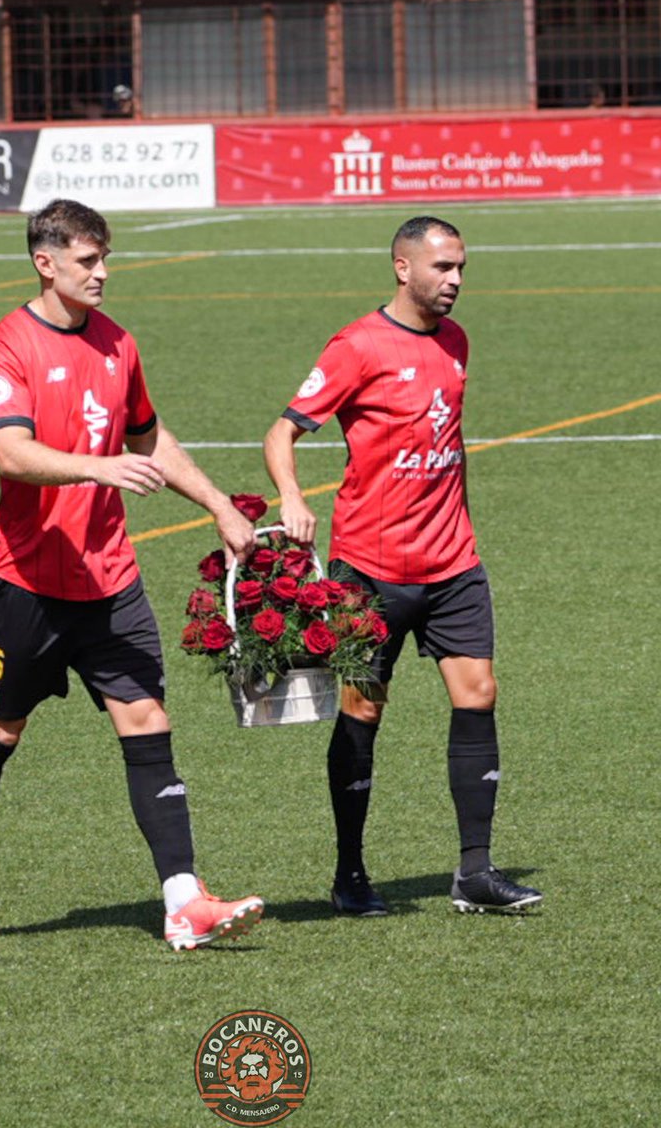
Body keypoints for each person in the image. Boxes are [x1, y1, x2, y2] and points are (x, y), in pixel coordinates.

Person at [0, 198, 264, 950]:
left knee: (148, 722)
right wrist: (97, 467)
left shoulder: (119, 344)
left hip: (111, 582)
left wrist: (216, 501)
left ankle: (183, 901)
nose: (103, 273)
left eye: (105, 258)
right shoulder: (5, 347)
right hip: (27, 585)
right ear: (45, 263)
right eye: (87, 261)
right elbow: (12, 453)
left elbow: (150, 436)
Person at [263, 215, 542, 916]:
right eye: (443, 267)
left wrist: (467, 526)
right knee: (364, 709)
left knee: (478, 693)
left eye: (461, 269)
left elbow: (453, 441)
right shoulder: (357, 346)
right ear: (403, 267)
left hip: (453, 564)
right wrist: (293, 497)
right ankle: (350, 874)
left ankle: (475, 872)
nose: (454, 281)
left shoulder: (456, 341)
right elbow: (283, 430)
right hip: (373, 568)